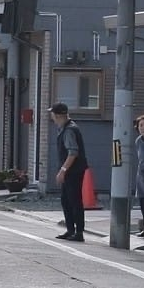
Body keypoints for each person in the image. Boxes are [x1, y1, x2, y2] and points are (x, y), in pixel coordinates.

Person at [49, 102, 88, 242]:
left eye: (52, 113)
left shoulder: (69, 130)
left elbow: (73, 153)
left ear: (58, 115)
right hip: (71, 170)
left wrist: (63, 170)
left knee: (74, 200)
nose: (51, 116)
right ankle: (71, 229)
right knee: (66, 200)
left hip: (74, 170)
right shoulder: (64, 128)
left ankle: (78, 232)